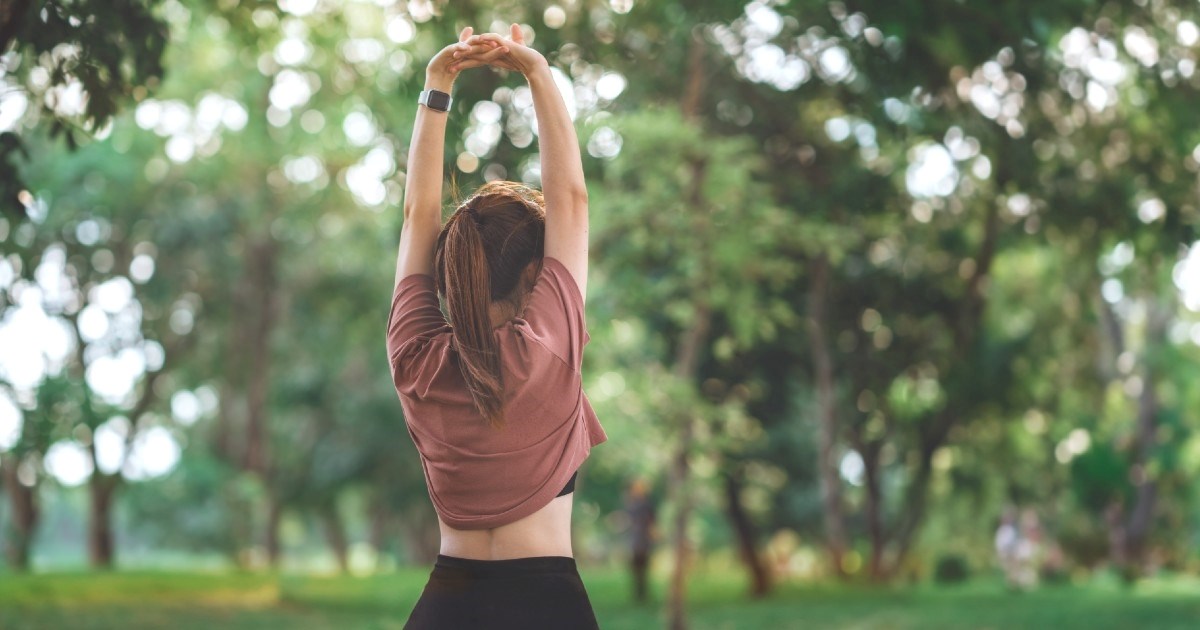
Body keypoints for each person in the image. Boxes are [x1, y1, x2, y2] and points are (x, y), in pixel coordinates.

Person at [386, 24, 606, 629]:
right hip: (548, 609)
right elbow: (573, 201)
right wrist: (536, 70)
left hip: (443, 609)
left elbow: (415, 217)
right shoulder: (546, 348)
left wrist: (438, 83)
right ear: (536, 270)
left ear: (453, 271)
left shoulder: (415, 358)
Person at [624, 477, 657, 603]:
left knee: (643, 568)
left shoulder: (647, 504)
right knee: (635, 568)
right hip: (634, 540)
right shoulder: (631, 503)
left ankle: (643, 595)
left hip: (644, 540)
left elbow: (652, 522)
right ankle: (638, 594)